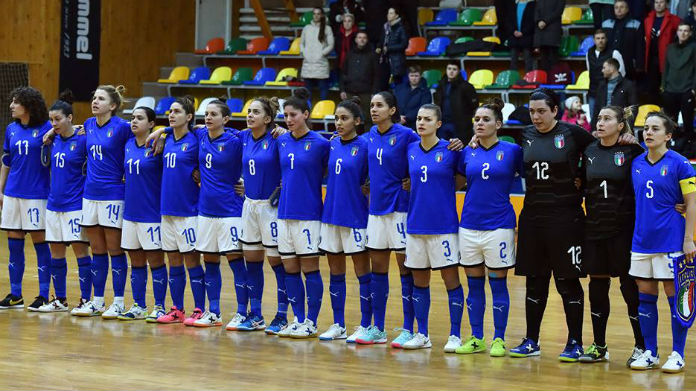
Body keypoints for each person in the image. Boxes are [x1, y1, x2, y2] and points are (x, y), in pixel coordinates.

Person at [356, 91, 463, 347]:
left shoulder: (408, 137)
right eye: (371, 105)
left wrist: (457, 144)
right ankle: (378, 328)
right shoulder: (368, 136)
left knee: (410, 272)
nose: (373, 109)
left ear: (393, 110)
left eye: (379, 105)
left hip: (404, 211)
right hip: (376, 211)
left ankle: (411, 328)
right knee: (379, 270)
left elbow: (446, 166)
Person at [508, 88, 596, 361]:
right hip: (533, 217)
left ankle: (575, 342)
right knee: (535, 281)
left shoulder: (573, 134)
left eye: (542, 111)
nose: (536, 116)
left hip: (566, 218)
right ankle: (531, 340)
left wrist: (581, 178)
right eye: (532, 111)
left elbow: (600, 151)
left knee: (567, 281)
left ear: (555, 110)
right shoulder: (525, 135)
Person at [54, 85, 132, 318]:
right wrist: (51, 132)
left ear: (113, 105)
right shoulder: (87, 125)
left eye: (101, 99)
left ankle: (118, 301)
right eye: (94, 97)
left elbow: (142, 138)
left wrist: (160, 135)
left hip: (113, 194)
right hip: (89, 195)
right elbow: (71, 130)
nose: (95, 101)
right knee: (97, 250)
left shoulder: (122, 127)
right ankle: (97, 300)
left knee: (114, 249)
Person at [577, 106, 646, 364]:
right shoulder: (589, 150)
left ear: (620, 126)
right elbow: (580, 183)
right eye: (599, 118)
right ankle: (599, 346)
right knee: (597, 287)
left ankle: (641, 345)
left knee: (629, 288)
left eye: (607, 119)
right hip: (595, 229)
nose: (600, 122)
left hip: (624, 230)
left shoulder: (633, 151)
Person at [628, 112, 696, 373]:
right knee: (645, 299)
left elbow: (691, 204)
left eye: (655, 128)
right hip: (642, 242)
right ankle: (651, 352)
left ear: (668, 135)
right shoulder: (635, 163)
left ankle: (678, 353)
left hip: (672, 241)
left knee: (676, 299)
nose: (648, 132)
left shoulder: (680, 163)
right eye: (646, 128)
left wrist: (689, 239)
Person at [455, 99, 523, 357]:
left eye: (485, 119)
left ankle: (499, 338)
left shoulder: (512, 150)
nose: (480, 123)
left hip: (499, 226)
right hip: (469, 225)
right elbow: (456, 181)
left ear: (499, 124)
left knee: (497, 285)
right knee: (473, 285)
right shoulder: (467, 152)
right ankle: (476, 337)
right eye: (477, 120)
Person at [400, 103, 463, 351]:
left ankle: (455, 334)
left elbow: (461, 177)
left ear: (438, 124)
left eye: (427, 119)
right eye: (419, 118)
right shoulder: (410, 149)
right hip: (415, 225)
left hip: (443, 226)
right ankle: (422, 333)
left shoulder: (451, 149)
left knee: (451, 282)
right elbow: (407, 180)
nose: (421, 122)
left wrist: (443, 193)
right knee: (419, 282)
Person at [275, 89, 330, 338]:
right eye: (285, 115)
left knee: (310, 270)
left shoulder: (320, 143)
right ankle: (297, 319)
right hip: (284, 214)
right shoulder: (282, 141)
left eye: (293, 114)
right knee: (290, 270)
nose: (288, 119)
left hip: (308, 214)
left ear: (306, 114)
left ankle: (312, 321)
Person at [317, 97, 372, 342]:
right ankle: (338, 324)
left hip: (356, 217)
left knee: (363, 274)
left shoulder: (366, 146)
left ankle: (366, 324)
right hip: (331, 216)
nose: (339, 123)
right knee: (335, 273)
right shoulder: (331, 145)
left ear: (357, 121)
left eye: (344, 118)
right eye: (337, 118)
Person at [146, 97, 202, 325]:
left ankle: (199, 309)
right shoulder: (166, 139)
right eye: (170, 111)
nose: (171, 114)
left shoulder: (196, 139)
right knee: (174, 261)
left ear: (188, 117)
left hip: (188, 210)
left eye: (177, 112)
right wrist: (163, 131)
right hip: (166, 210)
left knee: (192, 261)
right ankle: (177, 309)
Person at [237, 97, 289, 334]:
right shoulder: (243, 137)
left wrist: (281, 190)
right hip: (249, 206)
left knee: (278, 263)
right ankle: (255, 314)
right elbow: (208, 131)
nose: (250, 115)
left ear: (268, 119)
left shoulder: (278, 138)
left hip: (271, 208)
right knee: (253, 261)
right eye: (249, 111)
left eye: (255, 112)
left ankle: (281, 315)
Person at [38, 91, 91, 313]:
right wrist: (49, 136)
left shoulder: (83, 139)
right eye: (51, 120)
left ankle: (87, 300)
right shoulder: (52, 140)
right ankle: (59, 299)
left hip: (74, 206)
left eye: (58, 119)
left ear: (70, 118)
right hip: (54, 205)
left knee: (81, 253)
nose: (54, 123)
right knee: (56, 253)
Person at [118, 106, 165, 321]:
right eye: (132, 118)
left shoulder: (160, 145)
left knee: (156, 261)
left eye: (139, 118)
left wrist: (162, 135)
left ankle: (160, 306)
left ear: (151, 124)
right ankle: (138, 305)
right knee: (135, 261)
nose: (134, 121)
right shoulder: (128, 144)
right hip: (130, 213)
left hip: (151, 213)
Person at [662, 22, 696, 142]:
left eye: (686, 30)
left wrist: (693, 88)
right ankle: (673, 145)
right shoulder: (670, 47)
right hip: (670, 89)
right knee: (671, 121)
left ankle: (689, 146)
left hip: (687, 89)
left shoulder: (693, 47)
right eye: (680, 30)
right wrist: (663, 86)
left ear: (690, 33)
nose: (683, 33)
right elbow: (666, 68)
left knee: (687, 122)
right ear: (677, 32)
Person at [340, 30, 378, 130]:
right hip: (350, 91)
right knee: (349, 117)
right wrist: (342, 89)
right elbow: (343, 73)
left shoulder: (372, 55)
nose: (362, 40)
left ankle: (369, 141)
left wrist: (374, 91)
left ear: (367, 40)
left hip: (366, 92)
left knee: (369, 118)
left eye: (364, 38)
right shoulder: (350, 54)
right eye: (359, 37)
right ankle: (350, 141)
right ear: (356, 40)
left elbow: (376, 75)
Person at [644, 0, 681, 103]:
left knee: (667, 89)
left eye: (661, 2)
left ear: (667, 4)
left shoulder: (675, 20)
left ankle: (667, 115)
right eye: (656, 2)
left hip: (667, 59)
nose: (658, 4)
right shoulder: (648, 19)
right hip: (651, 59)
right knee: (652, 89)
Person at [586, 29, 626, 119]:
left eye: (603, 38)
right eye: (598, 38)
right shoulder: (589, 53)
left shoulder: (614, 53)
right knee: (594, 119)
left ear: (606, 39)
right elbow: (589, 70)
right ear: (594, 40)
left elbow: (621, 72)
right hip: (593, 91)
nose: (600, 40)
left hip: (609, 92)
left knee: (611, 118)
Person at [434, 62, 478, 142]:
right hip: (443, 123)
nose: (451, 71)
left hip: (459, 125)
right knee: (442, 149)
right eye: (449, 69)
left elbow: (474, 105)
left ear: (459, 71)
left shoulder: (466, 86)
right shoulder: (441, 85)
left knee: (458, 150)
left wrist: (465, 118)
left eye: (454, 69)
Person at [603, 0, 645, 81]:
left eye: (622, 7)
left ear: (627, 9)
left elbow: (640, 46)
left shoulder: (635, 24)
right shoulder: (606, 24)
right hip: (610, 63)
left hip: (629, 64)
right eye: (616, 7)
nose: (619, 10)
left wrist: (639, 66)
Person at [592, 58, 638, 128]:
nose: (602, 70)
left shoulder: (628, 85)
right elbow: (597, 107)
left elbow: (633, 108)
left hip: (620, 126)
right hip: (602, 125)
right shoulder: (602, 85)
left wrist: (627, 128)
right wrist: (593, 128)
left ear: (612, 68)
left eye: (604, 68)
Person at [301, 7, 335, 101]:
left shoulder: (327, 28)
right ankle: (307, 112)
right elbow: (302, 43)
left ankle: (323, 112)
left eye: (318, 13)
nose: (316, 15)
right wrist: (305, 53)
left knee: (323, 91)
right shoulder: (306, 28)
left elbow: (331, 45)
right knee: (307, 93)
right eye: (314, 13)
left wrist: (322, 54)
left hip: (321, 65)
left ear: (322, 15)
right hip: (308, 64)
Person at [377, 7, 408, 90]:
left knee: (397, 87)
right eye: (388, 13)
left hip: (396, 61)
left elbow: (404, 44)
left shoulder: (401, 28)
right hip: (385, 60)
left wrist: (389, 48)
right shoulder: (385, 27)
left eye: (391, 13)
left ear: (396, 15)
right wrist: (379, 47)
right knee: (383, 86)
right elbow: (381, 41)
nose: (388, 15)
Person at [393, 65, 432, 131]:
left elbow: (423, 108)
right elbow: (394, 103)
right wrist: (397, 117)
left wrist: (406, 118)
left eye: (416, 76)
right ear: (408, 76)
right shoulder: (400, 88)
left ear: (420, 76)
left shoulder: (425, 91)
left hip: (415, 124)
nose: (414, 78)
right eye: (412, 76)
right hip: (398, 122)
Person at [534, 0, 565, 73]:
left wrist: (545, 21)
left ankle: (553, 80)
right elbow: (536, 11)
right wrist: (538, 21)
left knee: (553, 59)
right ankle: (545, 81)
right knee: (543, 60)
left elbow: (558, 11)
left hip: (553, 31)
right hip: (542, 32)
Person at [508, 0, 536, 73]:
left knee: (528, 60)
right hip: (514, 37)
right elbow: (508, 21)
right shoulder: (513, 5)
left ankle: (528, 80)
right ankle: (513, 79)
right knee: (513, 61)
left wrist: (523, 32)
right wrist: (513, 31)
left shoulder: (532, 5)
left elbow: (533, 22)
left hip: (527, 37)